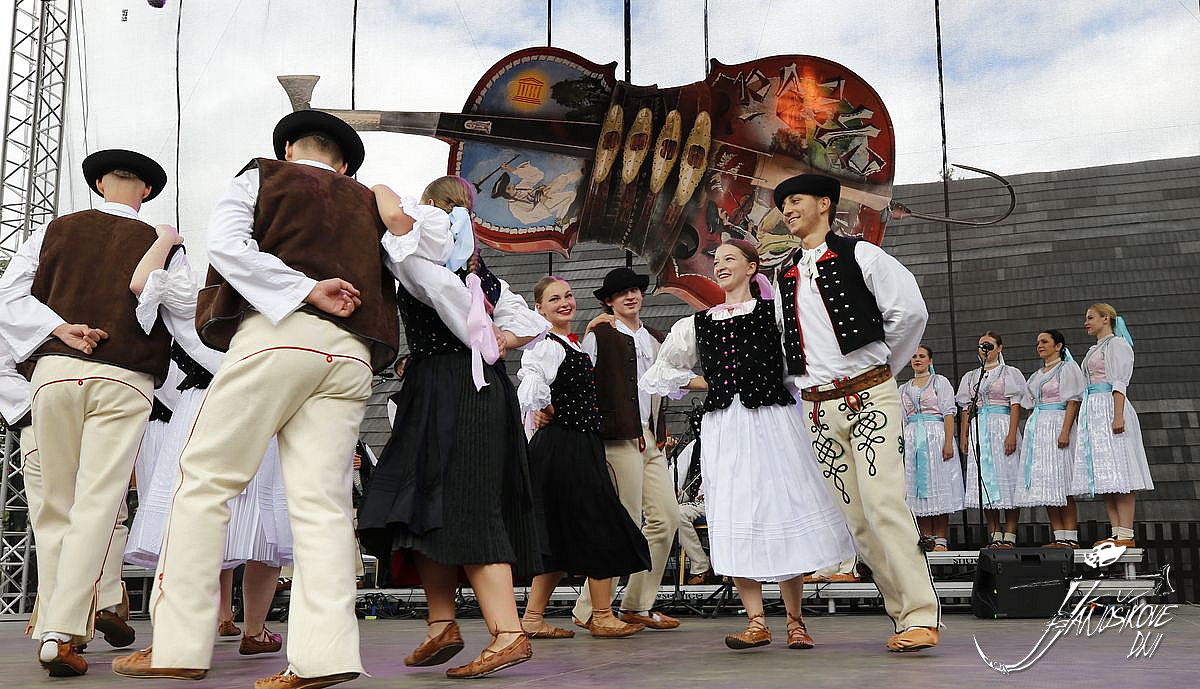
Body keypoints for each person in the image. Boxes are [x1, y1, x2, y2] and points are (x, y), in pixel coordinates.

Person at [113, 110, 397, 689]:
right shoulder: (368, 202)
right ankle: (324, 655)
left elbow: (227, 244)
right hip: (352, 354)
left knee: (204, 480)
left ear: (289, 149)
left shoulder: (263, 176)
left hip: (278, 335)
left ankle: (180, 644)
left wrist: (304, 287)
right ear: (345, 165)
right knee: (323, 505)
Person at [357, 175, 549, 679]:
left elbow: (398, 226)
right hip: (454, 388)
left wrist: (380, 188)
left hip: (457, 387)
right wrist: (504, 336)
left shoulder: (421, 259)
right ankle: (441, 624)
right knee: (419, 505)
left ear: (430, 210)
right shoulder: (480, 273)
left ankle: (508, 633)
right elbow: (527, 322)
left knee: (468, 502)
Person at [0, 148, 182, 677]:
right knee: (99, 506)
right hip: (123, 376)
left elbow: (8, 296)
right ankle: (62, 630)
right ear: (146, 192)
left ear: (99, 184)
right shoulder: (161, 242)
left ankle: (57, 624)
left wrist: (58, 328)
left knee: (55, 508)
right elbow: (178, 314)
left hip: (54, 372)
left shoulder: (52, 230)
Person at [643, 240, 855, 650]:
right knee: (734, 511)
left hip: (773, 420)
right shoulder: (698, 323)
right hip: (726, 425)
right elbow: (662, 372)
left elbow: (801, 361)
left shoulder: (774, 313)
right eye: (717, 261)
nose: (720, 266)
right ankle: (756, 621)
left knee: (782, 508)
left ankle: (795, 621)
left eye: (730, 259)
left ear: (751, 267)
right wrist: (708, 382)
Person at [771, 173, 939, 652]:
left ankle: (921, 614)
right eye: (784, 205)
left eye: (796, 200)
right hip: (817, 408)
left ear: (825, 204)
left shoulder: (861, 254)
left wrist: (882, 368)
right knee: (858, 520)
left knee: (884, 504)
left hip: (868, 396)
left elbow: (910, 312)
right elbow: (787, 341)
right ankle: (902, 616)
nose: (788, 210)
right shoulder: (785, 273)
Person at [124, 341, 293, 657]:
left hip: (204, 399)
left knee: (193, 512)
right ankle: (253, 630)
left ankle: (180, 632)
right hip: (259, 392)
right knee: (259, 518)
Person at [517, 275, 652, 639]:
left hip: (576, 445)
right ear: (539, 308)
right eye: (554, 299)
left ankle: (533, 618)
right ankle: (602, 615)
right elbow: (530, 386)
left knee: (558, 534)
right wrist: (548, 408)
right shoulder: (546, 345)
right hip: (566, 447)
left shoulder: (568, 343)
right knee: (601, 525)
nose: (565, 302)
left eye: (568, 296)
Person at [571, 267, 681, 632]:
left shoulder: (655, 338)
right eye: (621, 293)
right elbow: (581, 382)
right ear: (609, 301)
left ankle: (637, 604)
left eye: (634, 290)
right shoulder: (599, 335)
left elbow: (663, 385)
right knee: (624, 521)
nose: (630, 296)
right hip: (617, 438)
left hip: (650, 437)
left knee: (666, 518)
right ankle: (590, 609)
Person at [1072, 304, 1152, 547]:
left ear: (1106, 318)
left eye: (1090, 318)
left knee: (1121, 468)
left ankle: (1126, 533)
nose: (1086, 322)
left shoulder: (1117, 344)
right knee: (1106, 473)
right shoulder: (1094, 349)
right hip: (1094, 410)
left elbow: (1119, 381)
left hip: (1109, 405)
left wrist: (1118, 415)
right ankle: (1116, 531)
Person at [1014, 330, 1085, 547]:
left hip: (1057, 423)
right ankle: (1059, 535)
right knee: (1047, 484)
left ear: (1058, 346)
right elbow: (1029, 404)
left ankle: (1070, 537)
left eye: (1045, 342)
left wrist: (1065, 431)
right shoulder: (1037, 375)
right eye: (1038, 342)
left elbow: (1073, 401)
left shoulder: (1067, 368)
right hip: (1039, 429)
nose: (1040, 345)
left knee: (1062, 483)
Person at [956, 332, 1026, 548]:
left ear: (1000, 348)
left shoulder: (1009, 372)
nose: (984, 349)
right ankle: (995, 534)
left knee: (1008, 478)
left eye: (989, 345)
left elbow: (1015, 404)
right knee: (985, 479)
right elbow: (966, 408)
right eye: (981, 345)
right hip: (980, 428)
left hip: (1002, 425)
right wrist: (964, 434)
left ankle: (1010, 535)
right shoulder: (971, 376)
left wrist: (1012, 434)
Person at [898, 345, 964, 552]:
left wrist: (948, 441)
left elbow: (948, 413)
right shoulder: (903, 388)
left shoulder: (939, 382)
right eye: (914, 356)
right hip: (912, 438)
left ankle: (941, 539)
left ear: (930, 360)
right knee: (918, 488)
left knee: (938, 483)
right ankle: (926, 537)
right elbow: (901, 419)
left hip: (935, 436)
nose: (917, 359)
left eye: (922, 356)